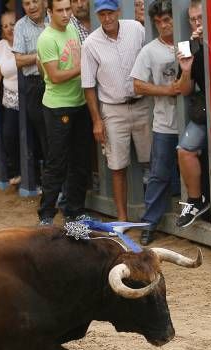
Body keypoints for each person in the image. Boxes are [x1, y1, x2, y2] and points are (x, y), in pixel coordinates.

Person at [81, 0, 148, 221]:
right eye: (102, 14)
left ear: (118, 11)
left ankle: (153, 214)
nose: (107, 18)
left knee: (152, 160)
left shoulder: (136, 29)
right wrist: (96, 121)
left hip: (142, 104)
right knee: (117, 166)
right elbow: (88, 85)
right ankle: (122, 218)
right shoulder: (90, 43)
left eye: (110, 13)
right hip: (113, 108)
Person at [131, 0, 187, 245]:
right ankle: (149, 225)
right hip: (165, 123)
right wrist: (167, 91)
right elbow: (136, 84)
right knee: (158, 174)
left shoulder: (187, 43)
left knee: (196, 171)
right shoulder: (149, 51)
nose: (164, 25)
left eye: (167, 19)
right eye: (159, 22)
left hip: (192, 121)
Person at [36, 0, 92, 225]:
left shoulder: (73, 27)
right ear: (49, 12)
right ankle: (46, 215)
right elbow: (55, 76)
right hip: (58, 106)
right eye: (60, 10)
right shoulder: (46, 38)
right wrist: (84, 66)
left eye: (68, 9)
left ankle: (74, 211)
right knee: (56, 162)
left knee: (81, 160)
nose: (66, 14)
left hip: (80, 102)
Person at [175, 0, 210, 228]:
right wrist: (186, 70)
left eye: (201, 18)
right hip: (205, 110)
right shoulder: (188, 45)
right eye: (193, 19)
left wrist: (207, 43)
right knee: (184, 150)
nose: (197, 23)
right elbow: (185, 90)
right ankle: (196, 200)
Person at [12, 0, 49, 186]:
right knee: (45, 135)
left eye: (35, 1)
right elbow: (18, 60)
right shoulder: (20, 25)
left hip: (62, 82)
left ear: (44, 2)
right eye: (26, 3)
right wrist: (44, 55)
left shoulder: (57, 18)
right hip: (35, 85)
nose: (31, 6)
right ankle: (52, 186)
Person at [0, 10, 21, 186]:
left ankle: (37, 175)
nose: (9, 29)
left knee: (36, 138)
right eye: (5, 26)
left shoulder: (27, 41)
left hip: (30, 99)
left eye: (12, 24)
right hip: (10, 101)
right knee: (9, 136)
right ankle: (16, 171)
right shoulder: (0, 47)